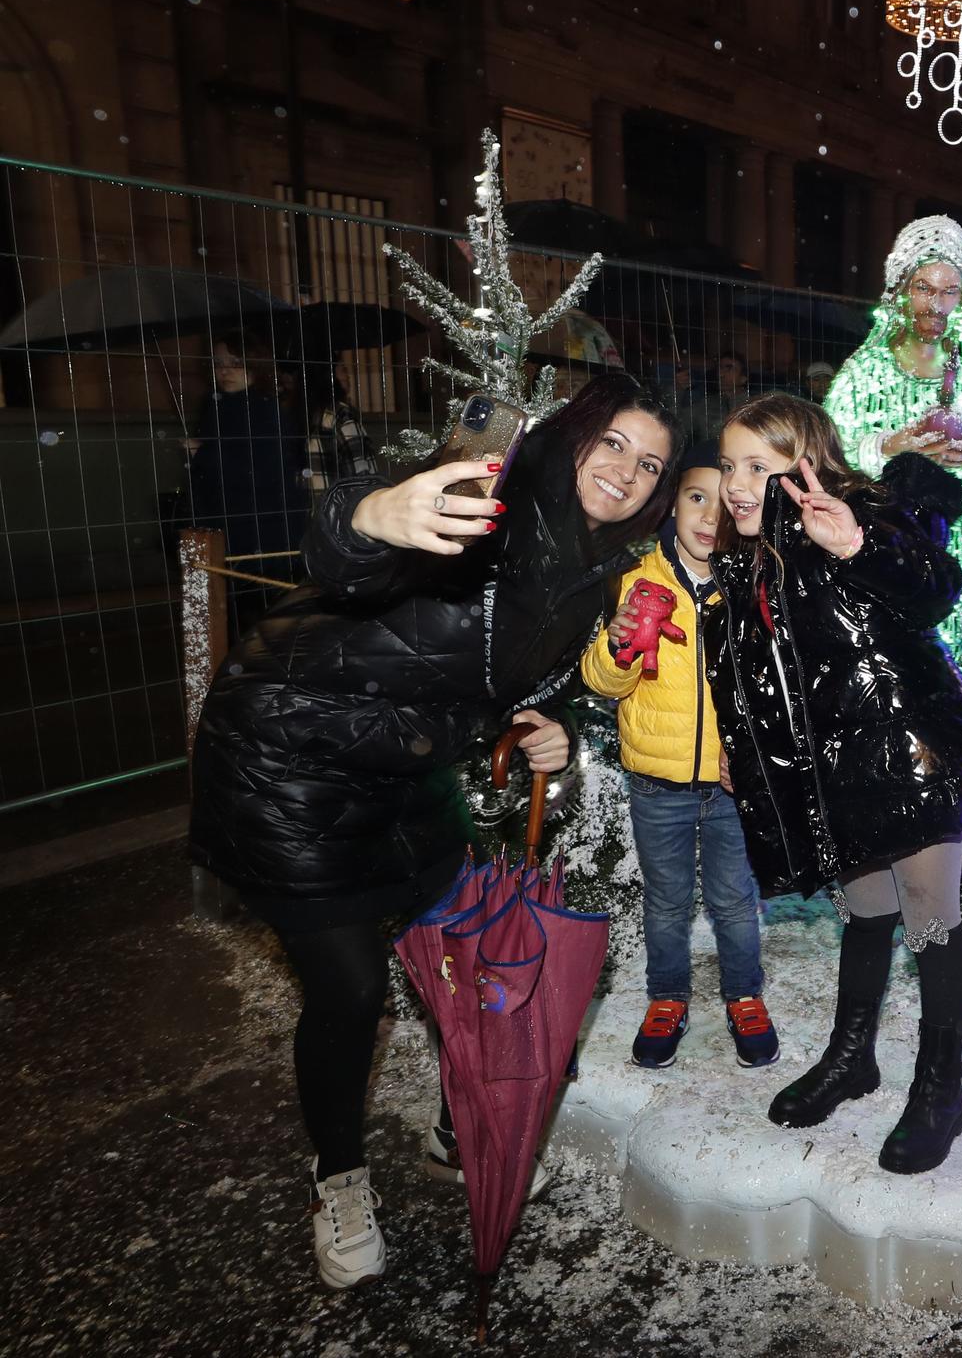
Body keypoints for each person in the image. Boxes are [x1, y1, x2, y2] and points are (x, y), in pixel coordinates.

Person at [189, 373, 674, 1288]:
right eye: (612, 442)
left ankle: (469, 1106)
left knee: (475, 938)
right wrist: (375, 513)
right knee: (351, 984)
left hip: (404, 766)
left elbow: (517, 679)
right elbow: (348, 558)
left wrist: (550, 722)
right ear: (571, 435)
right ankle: (337, 1174)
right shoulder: (483, 495)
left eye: (649, 462)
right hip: (285, 755)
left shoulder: (595, 565)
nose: (628, 471)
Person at [703, 392, 962, 1174]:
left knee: (931, 916)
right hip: (838, 771)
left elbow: (937, 584)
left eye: (757, 467)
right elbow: (757, 680)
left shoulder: (858, 510)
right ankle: (852, 1056)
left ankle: (942, 1088)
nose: (737, 483)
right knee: (865, 911)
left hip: (910, 748)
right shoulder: (742, 560)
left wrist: (858, 545)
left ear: (805, 463)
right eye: (729, 464)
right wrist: (745, 750)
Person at [582, 436, 778, 1071]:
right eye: (696, 497)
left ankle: (744, 994)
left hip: (729, 784)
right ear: (672, 504)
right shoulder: (634, 580)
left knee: (733, 899)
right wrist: (616, 648)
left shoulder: (752, 588)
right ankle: (667, 997)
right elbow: (603, 683)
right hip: (657, 781)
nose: (709, 516)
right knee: (666, 901)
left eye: (723, 503)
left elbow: (770, 686)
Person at [824, 216, 962, 708]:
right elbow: (828, 461)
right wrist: (891, 447)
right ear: (901, 290)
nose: (935, 303)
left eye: (949, 292)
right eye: (923, 287)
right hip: (884, 546)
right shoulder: (864, 372)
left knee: (957, 678)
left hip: (959, 550)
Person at [184, 333, 310, 635]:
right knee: (231, 617)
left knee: (264, 619)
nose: (225, 371)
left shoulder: (264, 410)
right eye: (218, 364)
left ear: (253, 365)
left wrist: (203, 454)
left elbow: (262, 472)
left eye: (235, 363)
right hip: (223, 526)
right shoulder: (214, 408)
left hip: (261, 531)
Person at [301, 369, 380, 503]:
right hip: (342, 511)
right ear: (330, 376)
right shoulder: (340, 415)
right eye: (342, 369)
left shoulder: (306, 413)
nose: (347, 374)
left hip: (315, 511)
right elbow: (361, 475)